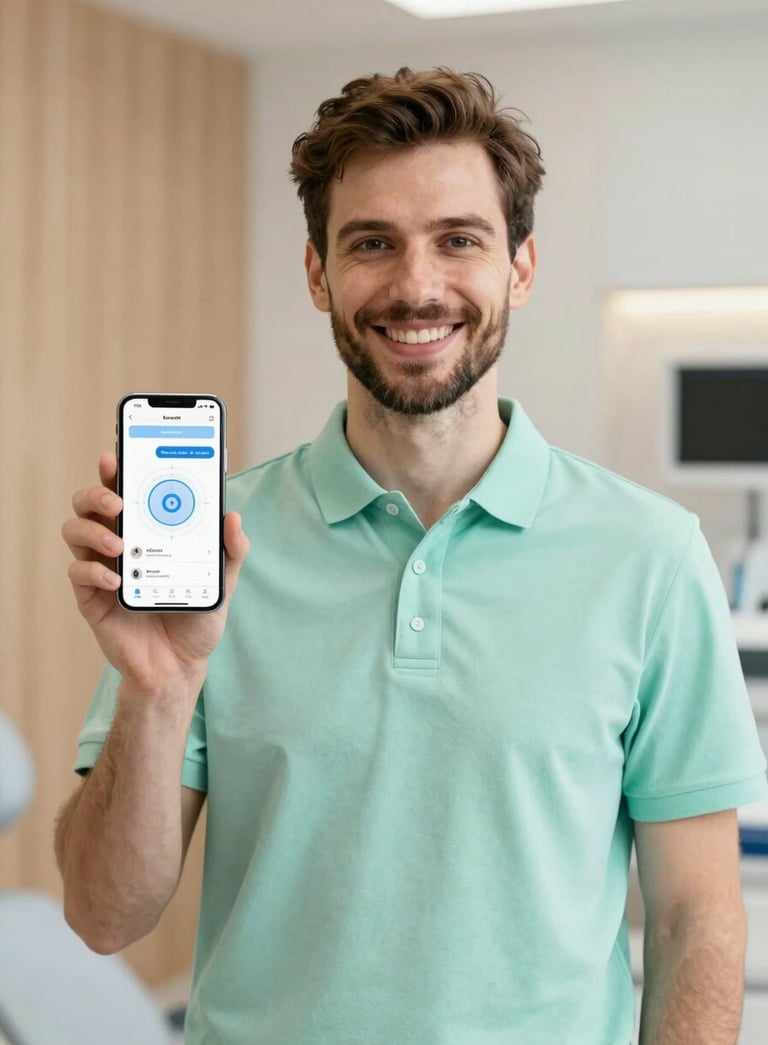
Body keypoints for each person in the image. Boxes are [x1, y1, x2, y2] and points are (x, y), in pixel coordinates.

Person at [57, 68, 767, 1044]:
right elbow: (104, 916)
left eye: (458, 240)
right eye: (372, 243)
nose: (416, 284)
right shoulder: (212, 552)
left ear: (520, 266)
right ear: (319, 273)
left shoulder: (649, 557)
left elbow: (696, 916)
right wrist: (158, 684)